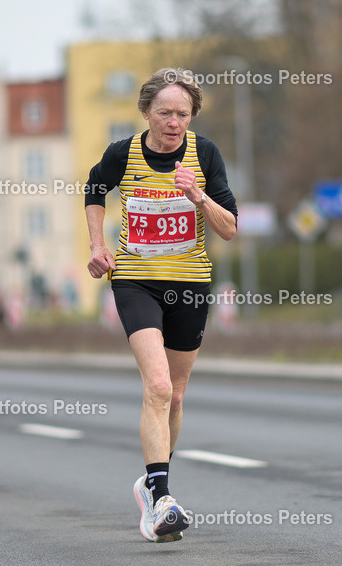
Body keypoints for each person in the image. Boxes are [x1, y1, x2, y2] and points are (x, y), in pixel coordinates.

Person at [84, 67, 238, 542]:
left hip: (190, 283)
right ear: (146, 112)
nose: (174, 123)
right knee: (158, 385)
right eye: (165, 113)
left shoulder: (204, 154)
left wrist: (198, 196)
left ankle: (152, 487)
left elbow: (230, 228)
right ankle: (163, 499)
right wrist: (97, 245)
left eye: (183, 115)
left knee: (177, 394)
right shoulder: (123, 153)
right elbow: (94, 188)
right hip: (136, 281)